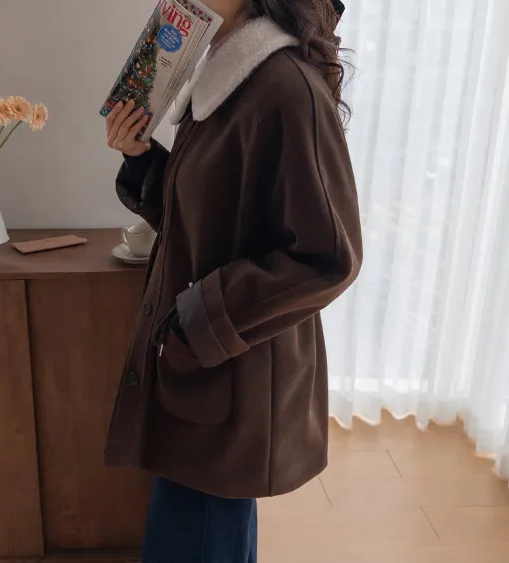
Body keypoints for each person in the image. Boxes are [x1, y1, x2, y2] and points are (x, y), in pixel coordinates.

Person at [104, 0, 360, 561]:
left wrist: (198, 319)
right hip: (207, 367)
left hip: (229, 370)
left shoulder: (285, 87)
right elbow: (212, 215)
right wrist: (142, 157)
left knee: (196, 535)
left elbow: (328, 256)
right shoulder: (220, 75)